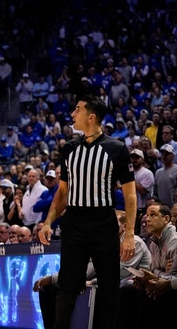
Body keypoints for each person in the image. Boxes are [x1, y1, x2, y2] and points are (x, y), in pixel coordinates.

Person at [39, 94, 137, 329]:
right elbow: (62, 193)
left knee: (108, 288)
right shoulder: (69, 148)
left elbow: (131, 194)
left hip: (103, 221)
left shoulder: (117, 149)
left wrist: (130, 233)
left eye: (77, 110)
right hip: (73, 221)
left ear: (91, 117)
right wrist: (47, 222)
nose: (73, 114)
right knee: (67, 287)